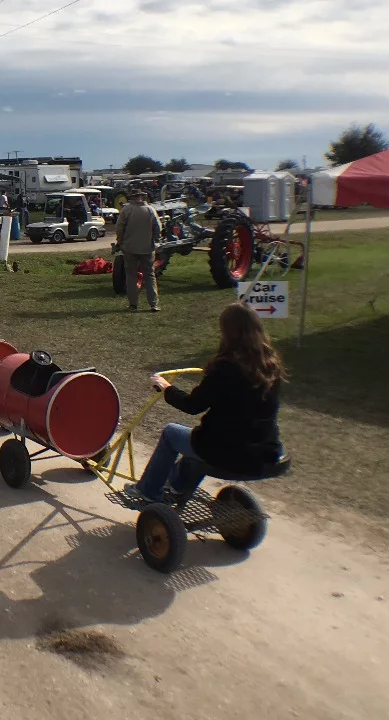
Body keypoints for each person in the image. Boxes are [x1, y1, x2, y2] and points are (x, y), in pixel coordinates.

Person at [133, 302, 286, 503]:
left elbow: (193, 405)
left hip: (231, 451)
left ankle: (148, 491)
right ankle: (178, 486)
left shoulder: (226, 367)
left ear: (228, 332)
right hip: (265, 449)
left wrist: (166, 388)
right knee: (196, 439)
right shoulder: (270, 364)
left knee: (172, 433)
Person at [114, 186, 161, 312]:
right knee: (150, 276)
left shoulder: (126, 210)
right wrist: (156, 241)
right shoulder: (151, 210)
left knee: (131, 276)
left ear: (132, 198)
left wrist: (121, 241)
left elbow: (119, 228)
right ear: (142, 197)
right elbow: (158, 228)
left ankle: (133, 305)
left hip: (129, 247)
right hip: (147, 248)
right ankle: (154, 304)